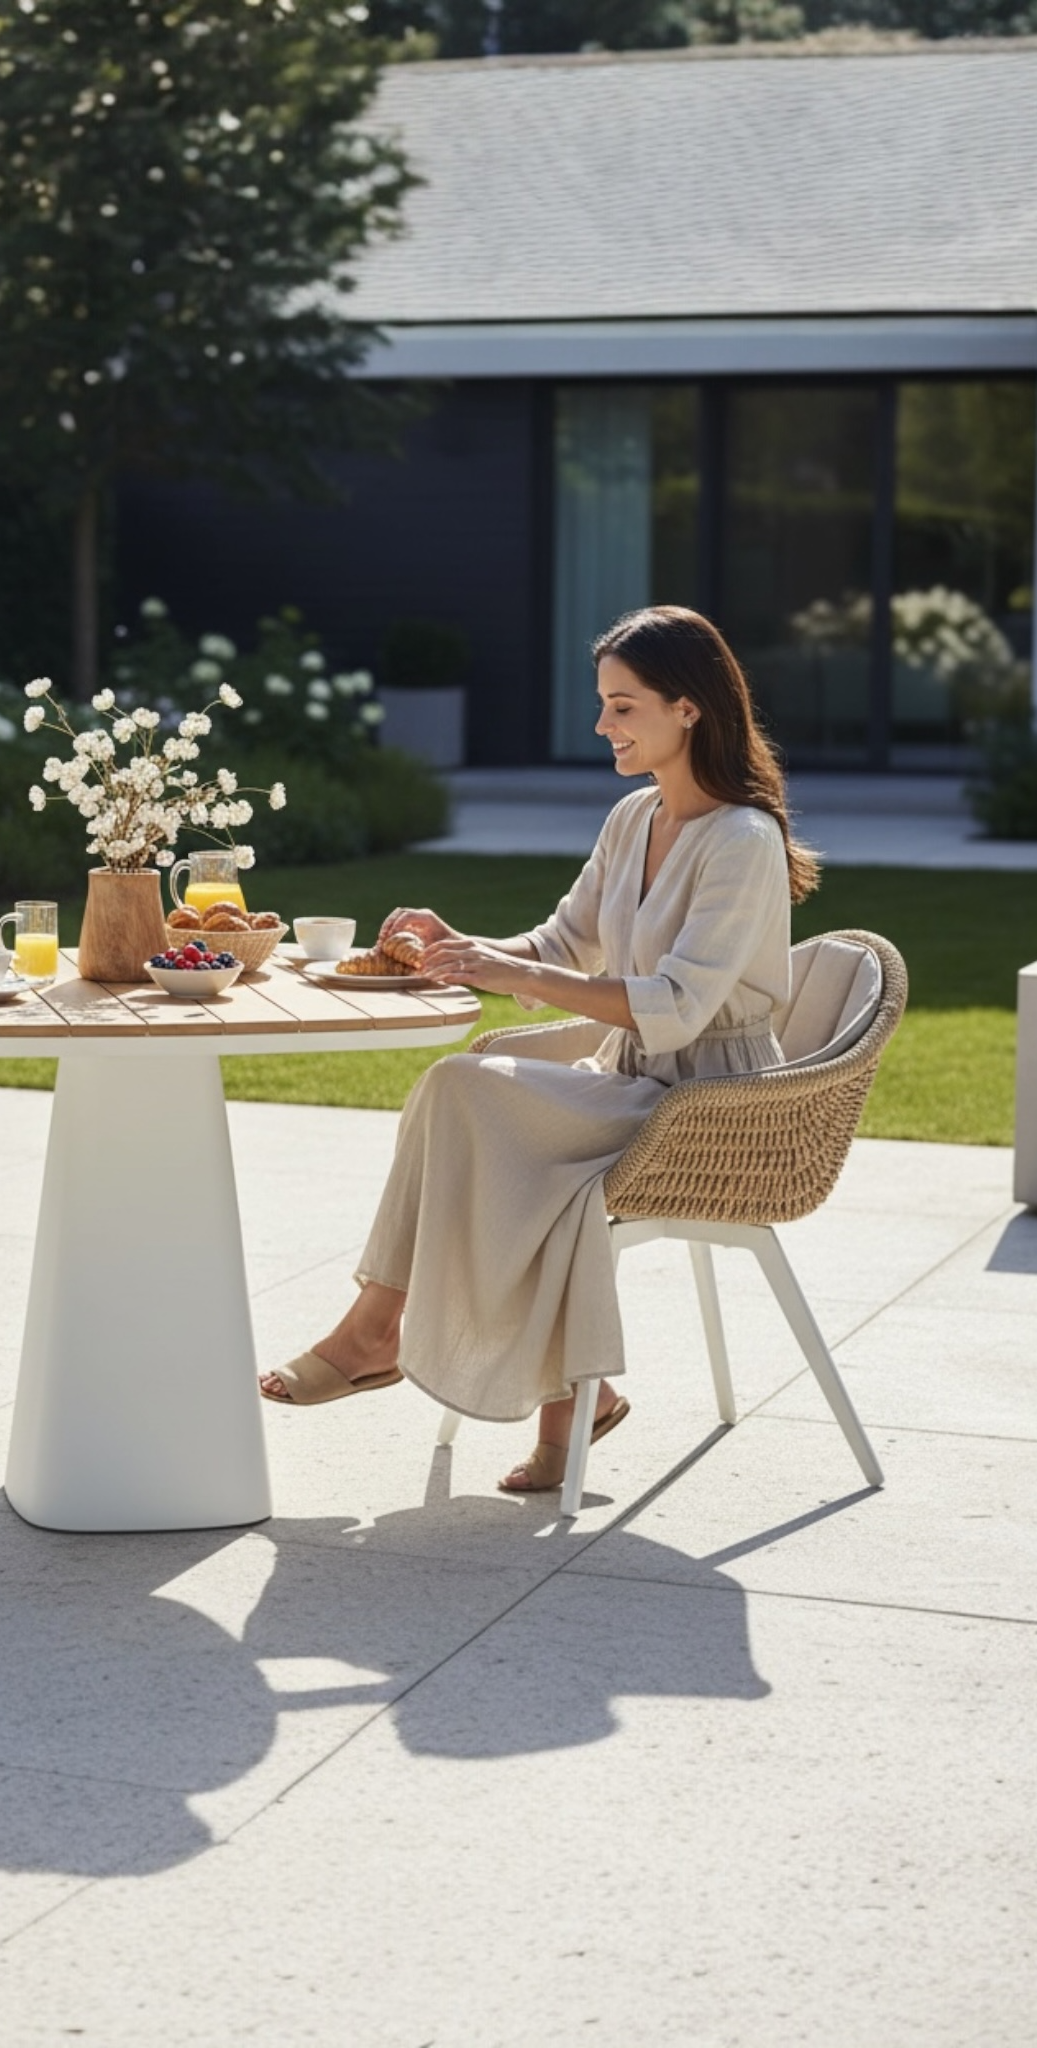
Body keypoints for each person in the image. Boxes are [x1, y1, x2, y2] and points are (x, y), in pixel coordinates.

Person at [261, 606, 821, 1494]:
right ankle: (566, 1397)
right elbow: (564, 947)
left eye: (623, 706)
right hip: (632, 1085)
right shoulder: (634, 819)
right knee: (468, 1098)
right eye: (603, 704)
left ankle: (378, 1334)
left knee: (463, 1091)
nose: (602, 725)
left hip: (714, 1106)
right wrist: (466, 941)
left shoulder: (743, 842)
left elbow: (674, 1006)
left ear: (690, 710)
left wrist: (488, 966)